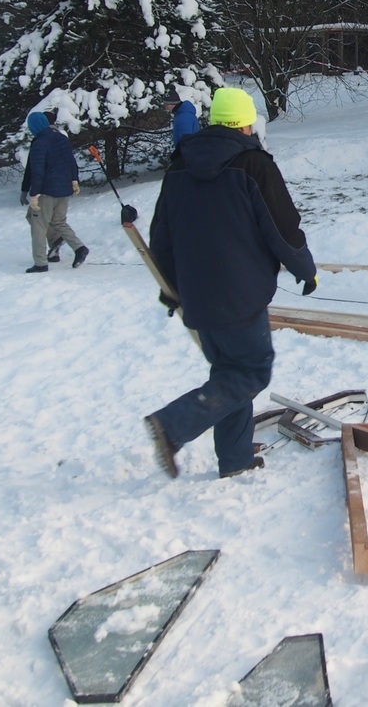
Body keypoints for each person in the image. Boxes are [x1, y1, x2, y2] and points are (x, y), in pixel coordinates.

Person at [144, 87, 318, 480]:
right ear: (245, 123)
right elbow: (282, 226)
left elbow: (162, 237)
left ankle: (235, 458)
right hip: (241, 295)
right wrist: (304, 269)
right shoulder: (253, 164)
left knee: (228, 373)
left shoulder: (179, 166)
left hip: (197, 295)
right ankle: (173, 425)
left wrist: (170, 288)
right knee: (251, 372)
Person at [22, 111, 88, 274]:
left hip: (47, 191)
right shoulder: (61, 138)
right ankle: (76, 247)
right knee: (57, 221)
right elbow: (71, 162)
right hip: (64, 190)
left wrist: (34, 194)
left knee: (38, 224)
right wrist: (74, 181)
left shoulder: (40, 143)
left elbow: (36, 171)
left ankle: (40, 263)